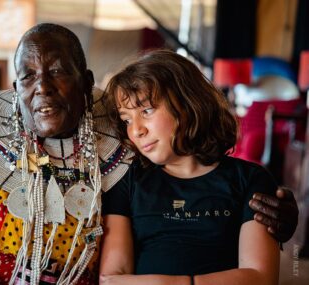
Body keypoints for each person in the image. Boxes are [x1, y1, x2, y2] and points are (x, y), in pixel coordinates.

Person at [0, 24, 297, 285]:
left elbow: (194, 174)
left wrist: (279, 209)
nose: (42, 88)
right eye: (28, 76)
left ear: (85, 84)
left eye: (57, 72)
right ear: (16, 89)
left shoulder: (123, 154)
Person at [100, 48, 283, 285]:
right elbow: (112, 280)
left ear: (187, 103)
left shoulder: (251, 179)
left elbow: (261, 277)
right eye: (127, 119)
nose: (136, 130)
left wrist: (178, 283)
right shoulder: (127, 180)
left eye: (146, 111)